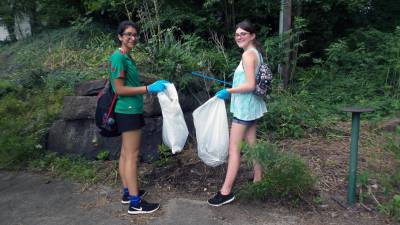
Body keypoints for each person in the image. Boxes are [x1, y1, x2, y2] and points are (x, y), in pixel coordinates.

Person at [110, 20, 169, 214]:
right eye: (128, 34)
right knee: (132, 156)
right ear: (120, 37)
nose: (132, 38)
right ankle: (136, 203)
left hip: (130, 109)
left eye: (135, 34)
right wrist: (147, 89)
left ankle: (128, 192)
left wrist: (153, 83)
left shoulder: (127, 57)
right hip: (127, 110)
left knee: (126, 153)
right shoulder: (118, 57)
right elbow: (118, 89)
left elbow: (131, 81)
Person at [208, 20, 267, 207]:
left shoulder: (249, 55)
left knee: (233, 149)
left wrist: (229, 91)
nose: (239, 37)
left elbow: (250, 85)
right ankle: (259, 178)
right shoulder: (255, 53)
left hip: (244, 109)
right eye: (237, 34)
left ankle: (225, 192)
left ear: (252, 35)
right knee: (252, 144)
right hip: (252, 107)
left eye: (243, 33)